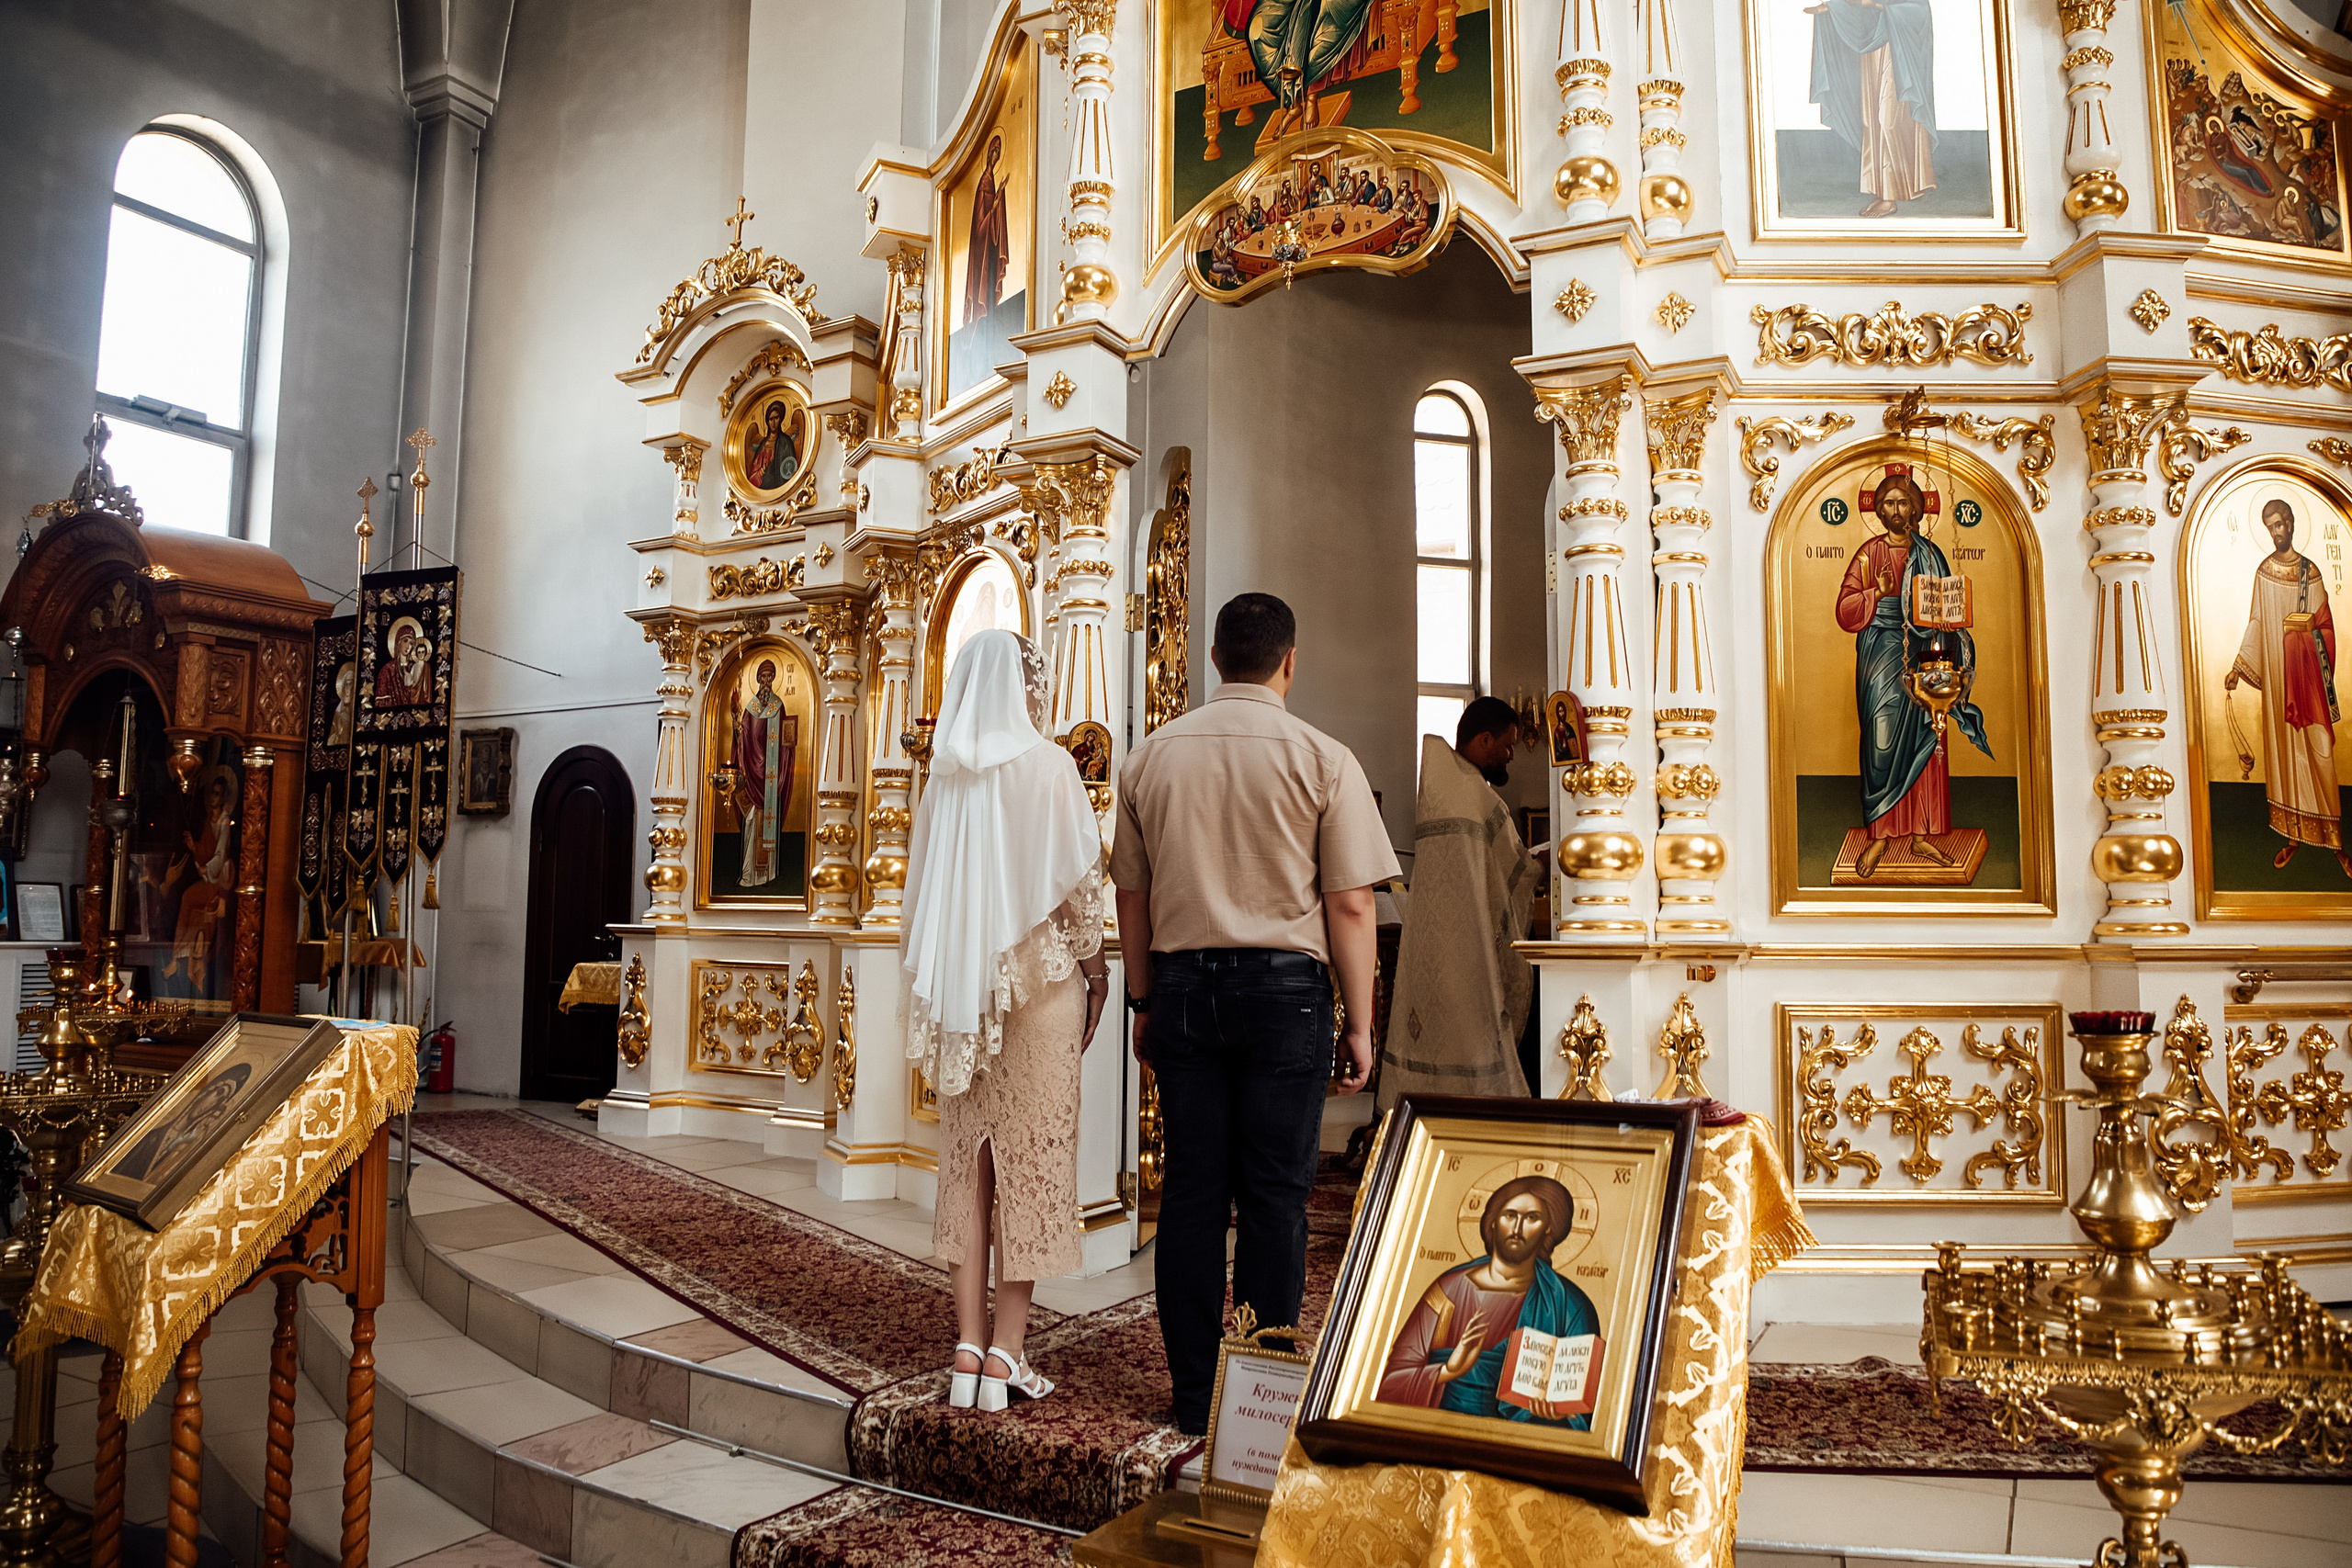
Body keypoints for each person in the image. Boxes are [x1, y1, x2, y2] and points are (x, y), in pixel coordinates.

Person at [1114, 592, 1399, 1434]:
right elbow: (1352, 906)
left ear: (1214, 658)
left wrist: (1143, 999)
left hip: (1181, 988)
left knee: (1193, 1191)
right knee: (1276, 1198)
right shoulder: (1324, 757)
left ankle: (1193, 1396)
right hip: (1285, 994)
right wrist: (1360, 1023)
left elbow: (1131, 896)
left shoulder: (1150, 757)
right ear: (1290, 660)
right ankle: (1258, 1404)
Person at [902, 629, 1108, 1413]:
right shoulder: (1051, 766)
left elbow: (921, 893)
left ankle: (965, 1345)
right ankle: (1005, 1354)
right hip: (1041, 989)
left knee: (970, 1165)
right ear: (1026, 688)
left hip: (964, 989)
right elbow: (1081, 889)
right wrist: (1097, 974)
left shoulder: (945, 777)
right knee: (1029, 1161)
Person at [1379, 699, 1543, 1107]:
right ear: (1485, 740)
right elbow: (1516, 871)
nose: (1510, 755)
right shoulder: (1477, 798)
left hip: (1430, 945)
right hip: (1472, 947)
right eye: (1507, 745)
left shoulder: (1442, 790)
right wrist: (1541, 863)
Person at [1833, 469, 1990, 878]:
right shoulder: (1868, 554)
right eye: (1889, 503)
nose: (1896, 510)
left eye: (1903, 502)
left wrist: (1951, 622)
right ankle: (1880, 836)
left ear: (1916, 509)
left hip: (1923, 652)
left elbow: (1946, 604)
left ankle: (1922, 834)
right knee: (1880, 739)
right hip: (1881, 652)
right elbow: (1844, 611)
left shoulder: (1931, 554)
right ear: (1878, 510)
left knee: (1927, 733)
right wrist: (1877, 592)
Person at [1374, 1174, 1601, 1428]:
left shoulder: (1570, 1306)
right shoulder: (1448, 1291)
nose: (1517, 1228)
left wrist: (1553, 1416)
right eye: (1510, 1215)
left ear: (1549, 1227)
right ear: (1493, 1221)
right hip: (1434, 1430)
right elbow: (1391, 1383)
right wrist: (1448, 1371)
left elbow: (1579, 1416)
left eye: (1532, 1218)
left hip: (1513, 1443)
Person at [2225, 498, 2345, 874]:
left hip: (2307, 678)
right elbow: (2257, 623)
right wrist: (2238, 668)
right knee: (2285, 754)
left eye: (2280, 524)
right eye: (2270, 527)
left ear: (2291, 524)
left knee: (2320, 750)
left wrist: (2305, 636)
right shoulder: (2263, 573)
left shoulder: (2311, 573)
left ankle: (2337, 842)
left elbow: (2326, 626)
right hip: (2279, 680)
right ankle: (2294, 835)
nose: (2276, 532)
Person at [1805, 0, 1938, 219]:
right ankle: (1882, 191)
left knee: (1888, 120)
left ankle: (1890, 197)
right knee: (1871, 119)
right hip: (1873, 49)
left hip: (1899, 53)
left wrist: (1883, 7)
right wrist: (1833, 8)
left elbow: (1919, 11)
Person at [730, 659, 797, 888]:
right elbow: (744, 737)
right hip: (752, 775)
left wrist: (787, 748)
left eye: (770, 677)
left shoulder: (778, 705)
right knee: (750, 821)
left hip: (770, 775)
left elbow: (785, 741)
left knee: (768, 823)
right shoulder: (751, 708)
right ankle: (748, 873)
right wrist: (737, 730)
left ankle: (767, 875)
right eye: (763, 677)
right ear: (758, 679)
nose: (766, 681)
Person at [962, 133, 1010, 327]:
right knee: (984, 288)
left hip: (989, 248)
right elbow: (980, 226)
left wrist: (1000, 194)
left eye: (999, 151)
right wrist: (996, 202)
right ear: (989, 153)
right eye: (995, 150)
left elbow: (991, 215)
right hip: (982, 251)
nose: (997, 154)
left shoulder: (992, 180)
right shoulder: (984, 182)